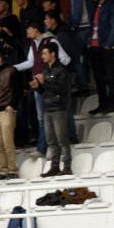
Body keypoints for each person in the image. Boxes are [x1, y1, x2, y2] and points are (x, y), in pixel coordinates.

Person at [31, 41, 73, 177]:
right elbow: (45, 91)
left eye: (44, 53)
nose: (42, 56)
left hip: (59, 108)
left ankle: (67, 166)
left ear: (53, 54)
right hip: (47, 107)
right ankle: (54, 166)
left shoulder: (62, 69)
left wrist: (45, 82)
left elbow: (61, 89)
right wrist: (37, 87)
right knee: (51, 140)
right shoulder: (46, 70)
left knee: (61, 139)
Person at [87, 0, 114, 115]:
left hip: (105, 46)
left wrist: (108, 44)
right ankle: (102, 103)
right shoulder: (96, 7)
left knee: (110, 76)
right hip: (95, 46)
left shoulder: (112, 6)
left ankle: (111, 104)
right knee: (98, 77)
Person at [0, 48, 19, 179]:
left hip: (7, 109)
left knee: (8, 142)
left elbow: (18, 89)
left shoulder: (12, 70)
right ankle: (3, 171)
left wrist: (12, 105)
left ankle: (13, 170)